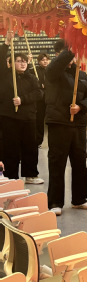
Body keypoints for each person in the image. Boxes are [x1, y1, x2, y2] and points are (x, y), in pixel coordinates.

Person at [45, 39, 87, 215]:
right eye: (65, 54)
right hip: (59, 123)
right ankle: (55, 202)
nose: (71, 58)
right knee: (57, 163)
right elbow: (55, 67)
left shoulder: (81, 75)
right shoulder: (52, 72)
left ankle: (79, 199)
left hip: (78, 124)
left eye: (73, 54)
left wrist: (81, 106)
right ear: (58, 55)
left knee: (80, 162)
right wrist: (71, 48)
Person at [0, 32, 44, 183]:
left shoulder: (31, 77)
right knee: (10, 148)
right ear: (11, 63)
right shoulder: (5, 75)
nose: (23, 63)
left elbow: (39, 93)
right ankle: (11, 177)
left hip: (28, 117)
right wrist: (6, 43)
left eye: (25, 61)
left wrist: (23, 100)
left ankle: (30, 175)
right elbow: (1, 59)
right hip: (9, 117)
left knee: (30, 147)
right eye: (19, 61)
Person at [35, 52, 50, 147]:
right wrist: (39, 85)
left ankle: (53, 141)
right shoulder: (35, 70)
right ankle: (38, 141)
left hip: (50, 99)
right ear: (39, 61)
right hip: (40, 100)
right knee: (39, 121)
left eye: (46, 60)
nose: (45, 61)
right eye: (43, 60)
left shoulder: (51, 70)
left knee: (51, 121)